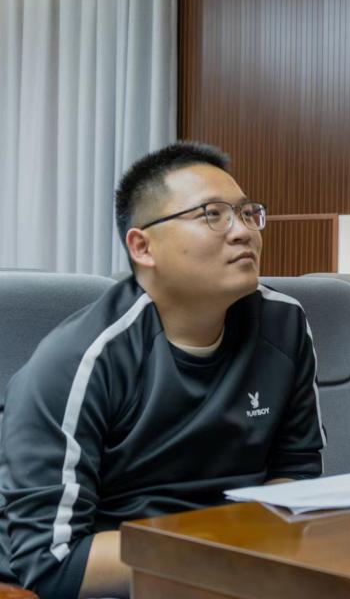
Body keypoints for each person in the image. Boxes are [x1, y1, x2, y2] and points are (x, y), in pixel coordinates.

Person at [0, 142, 325, 598]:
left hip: (225, 569)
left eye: (248, 213)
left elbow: (298, 472)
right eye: (213, 214)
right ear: (143, 246)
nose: (243, 232)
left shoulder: (284, 324)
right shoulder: (78, 361)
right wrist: (225, 548)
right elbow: (52, 564)